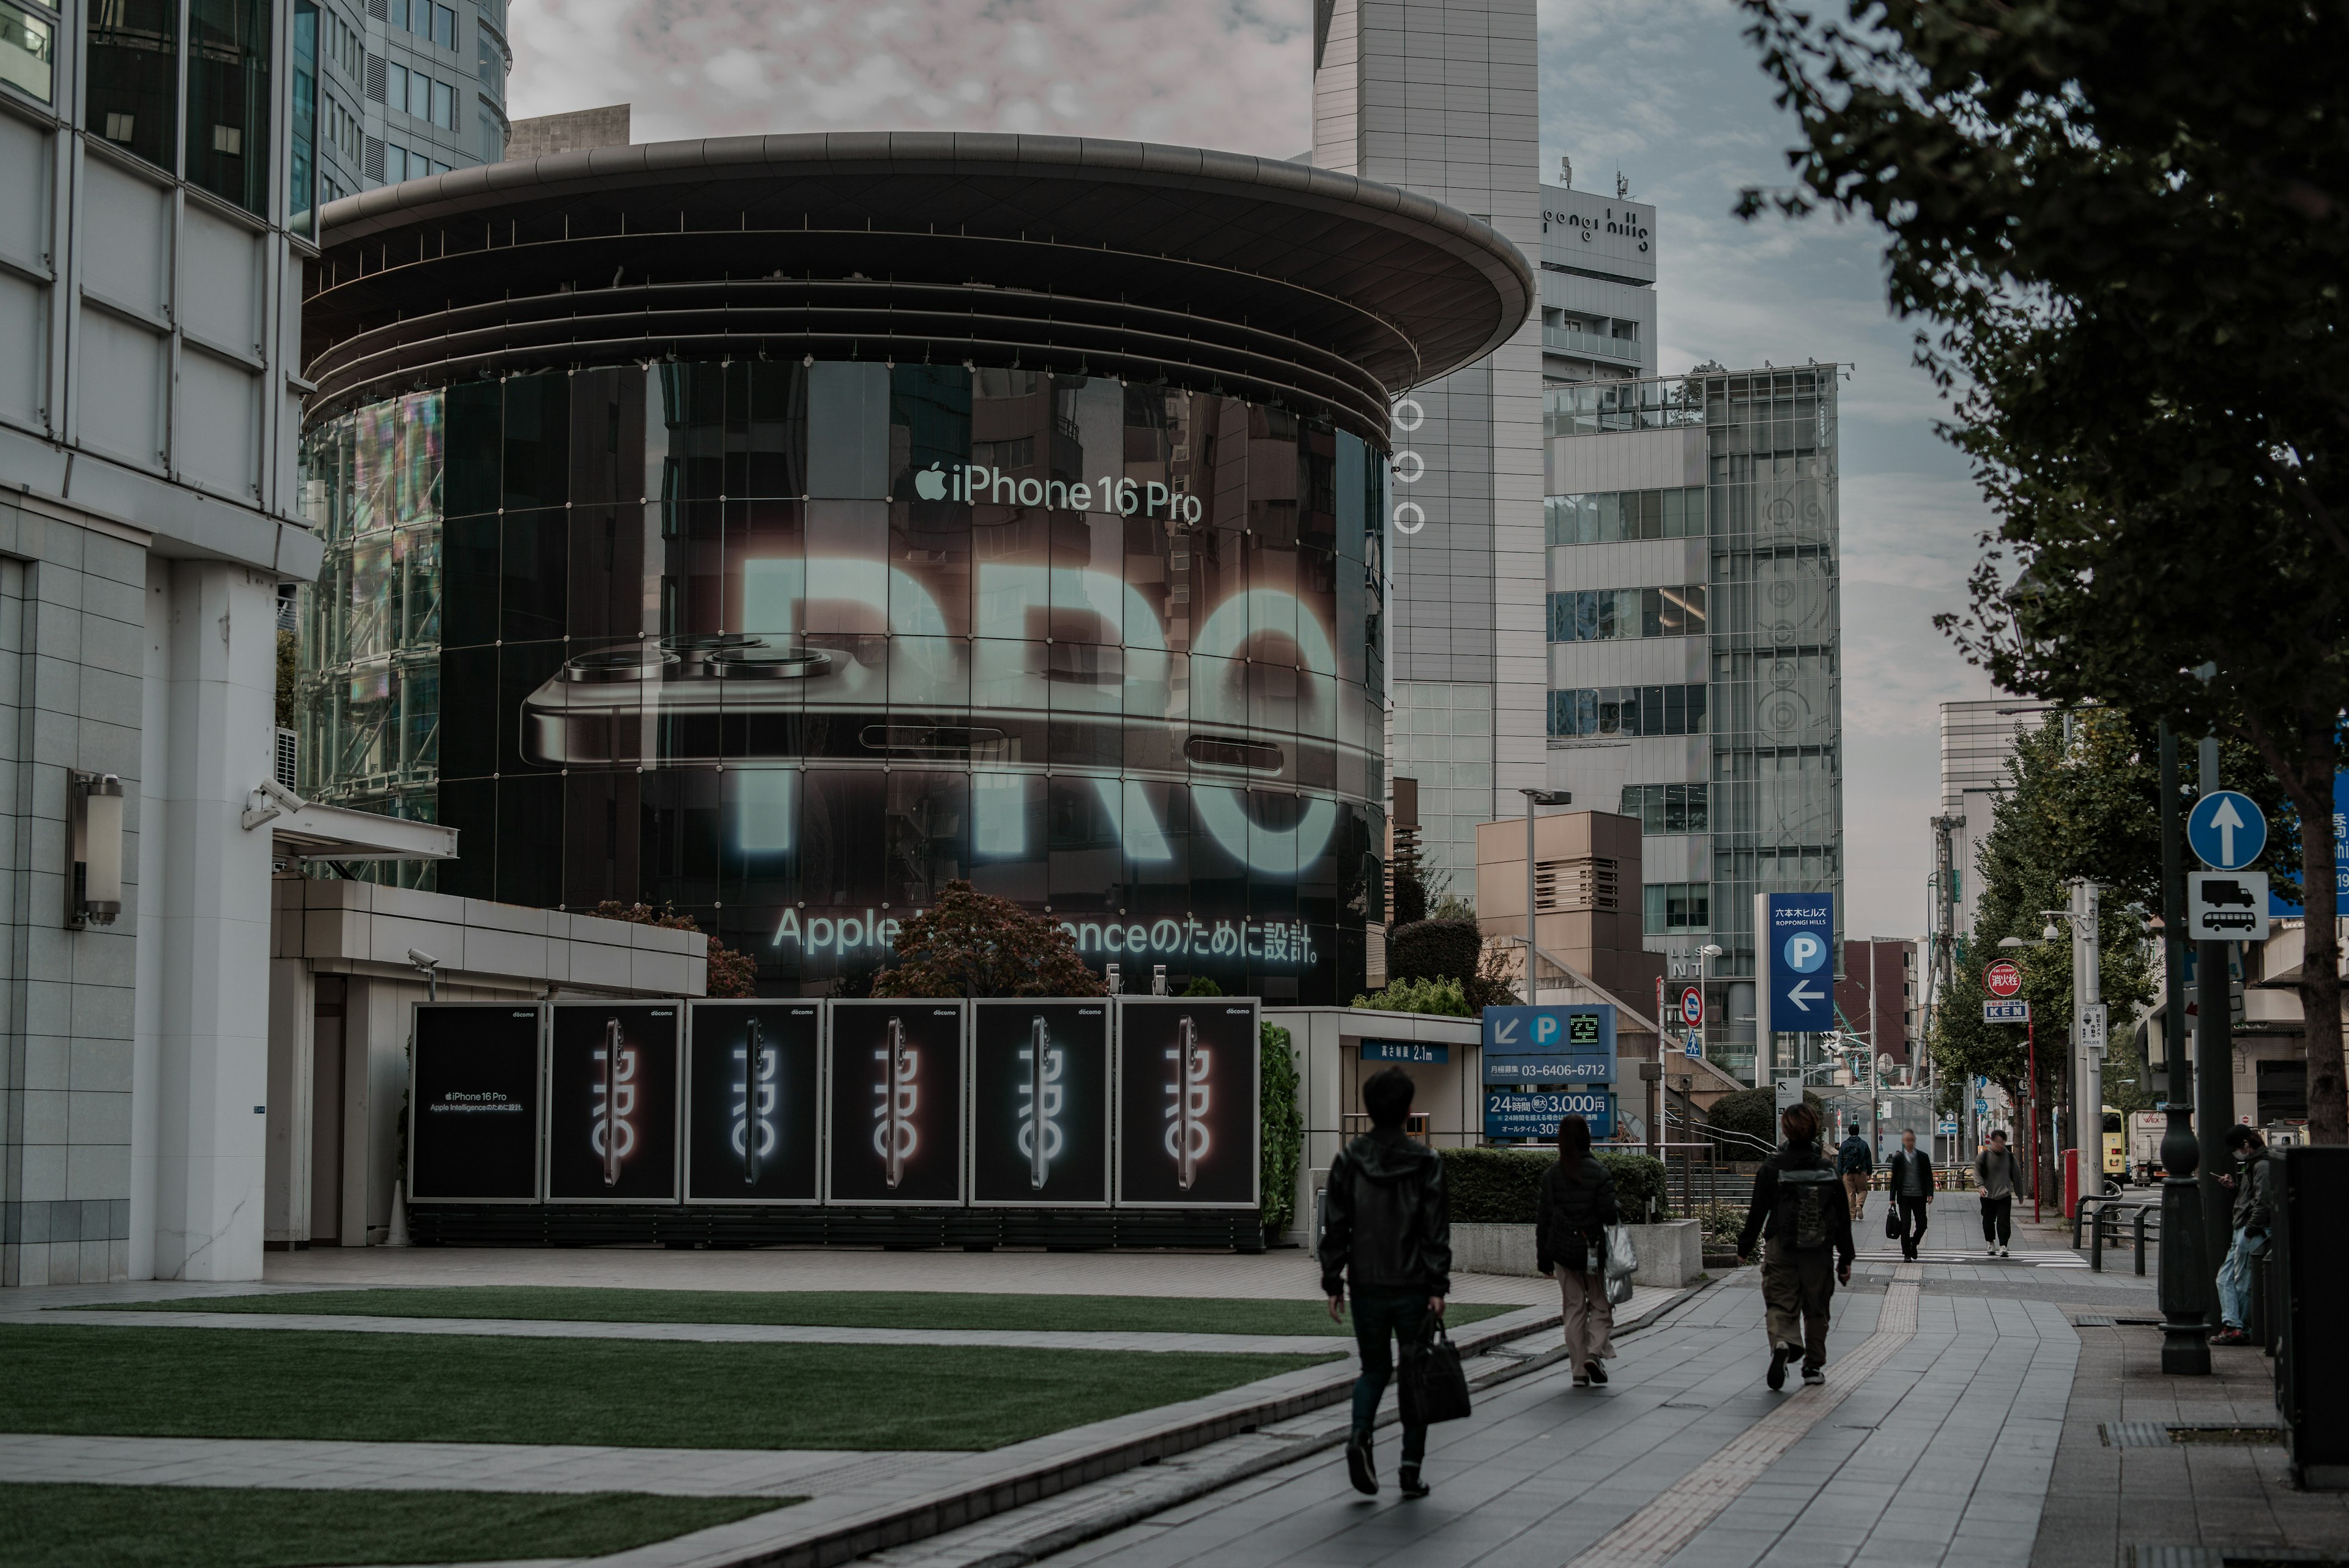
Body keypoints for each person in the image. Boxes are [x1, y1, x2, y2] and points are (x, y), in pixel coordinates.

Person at [1319, 1066, 1451, 1499]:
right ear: (1409, 1111)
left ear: (1369, 1109)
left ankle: (1360, 1435)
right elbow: (1434, 1229)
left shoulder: (1349, 1159)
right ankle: (1410, 1470)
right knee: (1416, 1373)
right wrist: (1438, 1285)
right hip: (1414, 1285)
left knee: (1373, 1368)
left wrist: (1333, 1279)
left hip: (1367, 1283)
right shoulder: (1426, 1162)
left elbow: (1335, 1225)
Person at [1737, 1101, 1855, 1389]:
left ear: (1786, 1130)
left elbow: (1758, 1210)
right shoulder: (1827, 1170)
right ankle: (1812, 1367)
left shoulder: (1772, 1166)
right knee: (1817, 1309)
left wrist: (1744, 1247)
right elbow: (1841, 1218)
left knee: (1780, 1302)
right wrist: (1845, 1259)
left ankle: (1782, 1343)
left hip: (1781, 1244)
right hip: (1819, 1248)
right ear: (1815, 1129)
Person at [1537, 1112, 1620, 1388]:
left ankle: (1578, 1371)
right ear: (1587, 1139)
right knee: (1600, 1304)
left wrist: (1544, 1258)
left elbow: (1544, 1219)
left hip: (1562, 1253)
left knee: (1573, 1309)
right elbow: (1609, 1215)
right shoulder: (1599, 1172)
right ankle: (1595, 1353)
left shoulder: (1551, 1175)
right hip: (1592, 1252)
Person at [2210, 1125, 2271, 1347]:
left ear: (2246, 1145)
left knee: (2240, 1282)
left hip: (2249, 1230)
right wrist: (2233, 1188)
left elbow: (2263, 1201)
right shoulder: (2254, 1164)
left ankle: (2238, 1327)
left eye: (2237, 1149)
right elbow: (2251, 1199)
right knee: (2226, 1279)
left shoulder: (2262, 1165)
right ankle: (2234, 1324)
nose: (2237, 1154)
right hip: (2245, 1228)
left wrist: (2251, 1229)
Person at [1975, 1129, 2027, 1257]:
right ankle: (1990, 1242)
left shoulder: (2009, 1157)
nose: (1999, 1145)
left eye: (2001, 1142)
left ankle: (2003, 1245)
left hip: (2004, 1194)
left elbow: (2017, 1176)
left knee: (2004, 1221)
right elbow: (1977, 1173)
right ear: (1991, 1142)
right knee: (1988, 1221)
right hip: (1988, 1194)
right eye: (1997, 1142)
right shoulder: (1984, 1156)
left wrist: (2020, 1195)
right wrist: (1980, 1186)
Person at [1887, 1128, 1934, 1261]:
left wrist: (1930, 1193)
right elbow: (1894, 1179)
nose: (1910, 1142)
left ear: (1915, 1141)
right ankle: (1907, 1253)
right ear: (1903, 1141)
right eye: (1907, 1140)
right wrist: (1892, 1198)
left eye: (1912, 1140)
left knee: (1922, 1224)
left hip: (1919, 1196)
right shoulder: (1898, 1159)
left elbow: (1928, 1176)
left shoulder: (1923, 1157)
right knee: (1905, 1226)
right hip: (1904, 1196)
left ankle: (1914, 1242)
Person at [1838, 1123, 1876, 1224]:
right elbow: (1868, 1159)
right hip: (1861, 1171)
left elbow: (1840, 1159)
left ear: (1849, 1132)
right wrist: (1869, 1172)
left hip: (1847, 1172)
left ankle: (1852, 1215)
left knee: (1850, 1193)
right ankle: (1859, 1205)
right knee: (1863, 1190)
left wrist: (1840, 1173)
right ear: (1858, 1132)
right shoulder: (1863, 1144)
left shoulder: (1844, 1144)